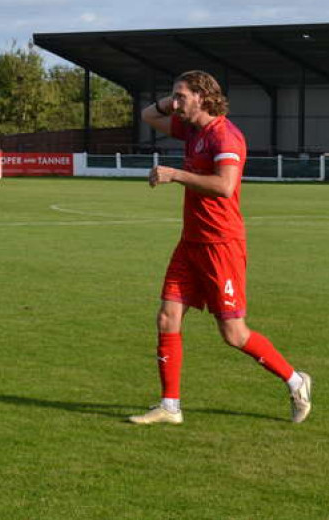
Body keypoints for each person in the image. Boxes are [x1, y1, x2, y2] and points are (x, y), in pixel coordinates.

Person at [128, 70, 312, 425]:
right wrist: (173, 98)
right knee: (167, 317)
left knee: (234, 334)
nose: (175, 103)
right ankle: (170, 407)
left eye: (182, 96)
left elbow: (225, 186)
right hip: (190, 243)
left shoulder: (224, 135)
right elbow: (149, 115)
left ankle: (295, 380)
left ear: (203, 97)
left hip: (221, 245)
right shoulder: (191, 131)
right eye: (174, 97)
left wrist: (176, 174)